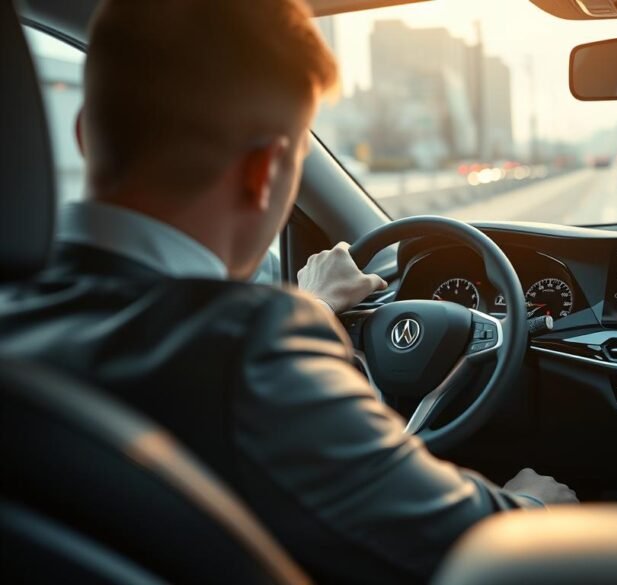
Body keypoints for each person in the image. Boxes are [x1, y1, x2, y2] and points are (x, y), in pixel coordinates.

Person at [0, 0, 576, 582]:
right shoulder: (251, 354)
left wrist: (316, 307)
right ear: (265, 172)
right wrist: (536, 507)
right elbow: (468, 546)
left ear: (84, 134)